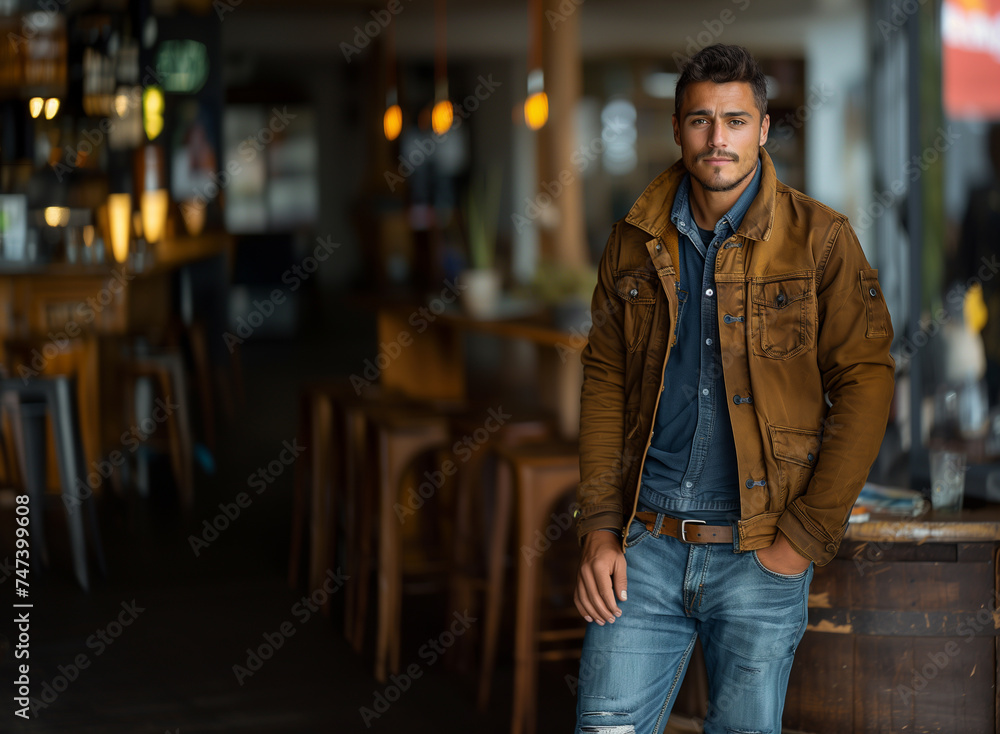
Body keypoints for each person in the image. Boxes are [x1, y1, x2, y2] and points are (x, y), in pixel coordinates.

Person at [573, 44, 895, 734]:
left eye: (736, 121)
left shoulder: (822, 241)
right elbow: (603, 378)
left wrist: (804, 539)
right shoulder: (631, 241)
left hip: (761, 550)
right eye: (700, 120)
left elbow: (866, 383)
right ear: (677, 128)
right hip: (643, 547)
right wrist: (600, 528)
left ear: (764, 128)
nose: (717, 138)